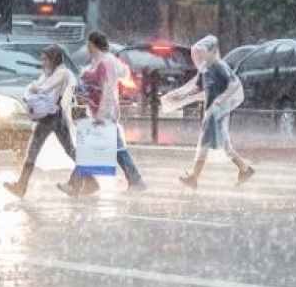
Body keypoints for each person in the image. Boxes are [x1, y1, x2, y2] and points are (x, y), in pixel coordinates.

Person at [57, 30, 148, 197]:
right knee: (111, 149)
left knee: (93, 149)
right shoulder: (103, 61)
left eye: (88, 44)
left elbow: (107, 89)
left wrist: (100, 114)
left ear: (92, 44)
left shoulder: (105, 62)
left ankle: (77, 185)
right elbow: (110, 89)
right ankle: (134, 180)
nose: (87, 47)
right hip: (98, 112)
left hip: (101, 113)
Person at [164, 35, 255, 189]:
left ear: (213, 51)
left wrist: (222, 99)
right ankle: (244, 169)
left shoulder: (219, 67)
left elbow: (233, 85)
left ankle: (194, 177)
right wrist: (180, 96)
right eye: (200, 52)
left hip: (216, 112)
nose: (201, 55)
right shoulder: (205, 69)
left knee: (205, 144)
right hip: (211, 111)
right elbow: (197, 88)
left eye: (204, 51)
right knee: (223, 144)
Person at [3, 46, 77, 199]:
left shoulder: (62, 72)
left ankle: (85, 179)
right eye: (42, 59)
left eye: (45, 59)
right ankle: (21, 186)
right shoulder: (48, 73)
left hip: (56, 117)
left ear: (53, 59)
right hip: (45, 117)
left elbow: (42, 88)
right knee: (33, 151)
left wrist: (36, 87)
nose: (42, 62)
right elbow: (34, 87)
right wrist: (34, 87)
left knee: (70, 151)